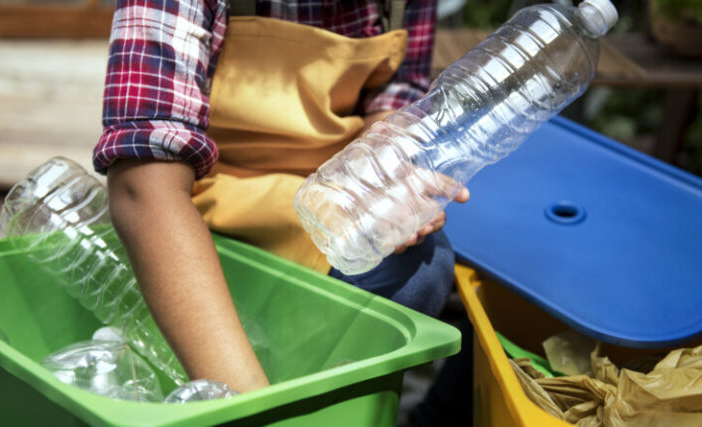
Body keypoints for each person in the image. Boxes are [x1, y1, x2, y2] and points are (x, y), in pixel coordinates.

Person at [93, 0, 468, 395]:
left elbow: (394, 95)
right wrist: (249, 404)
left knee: (421, 266)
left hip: (323, 201)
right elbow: (143, 185)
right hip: (200, 207)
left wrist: (383, 177)